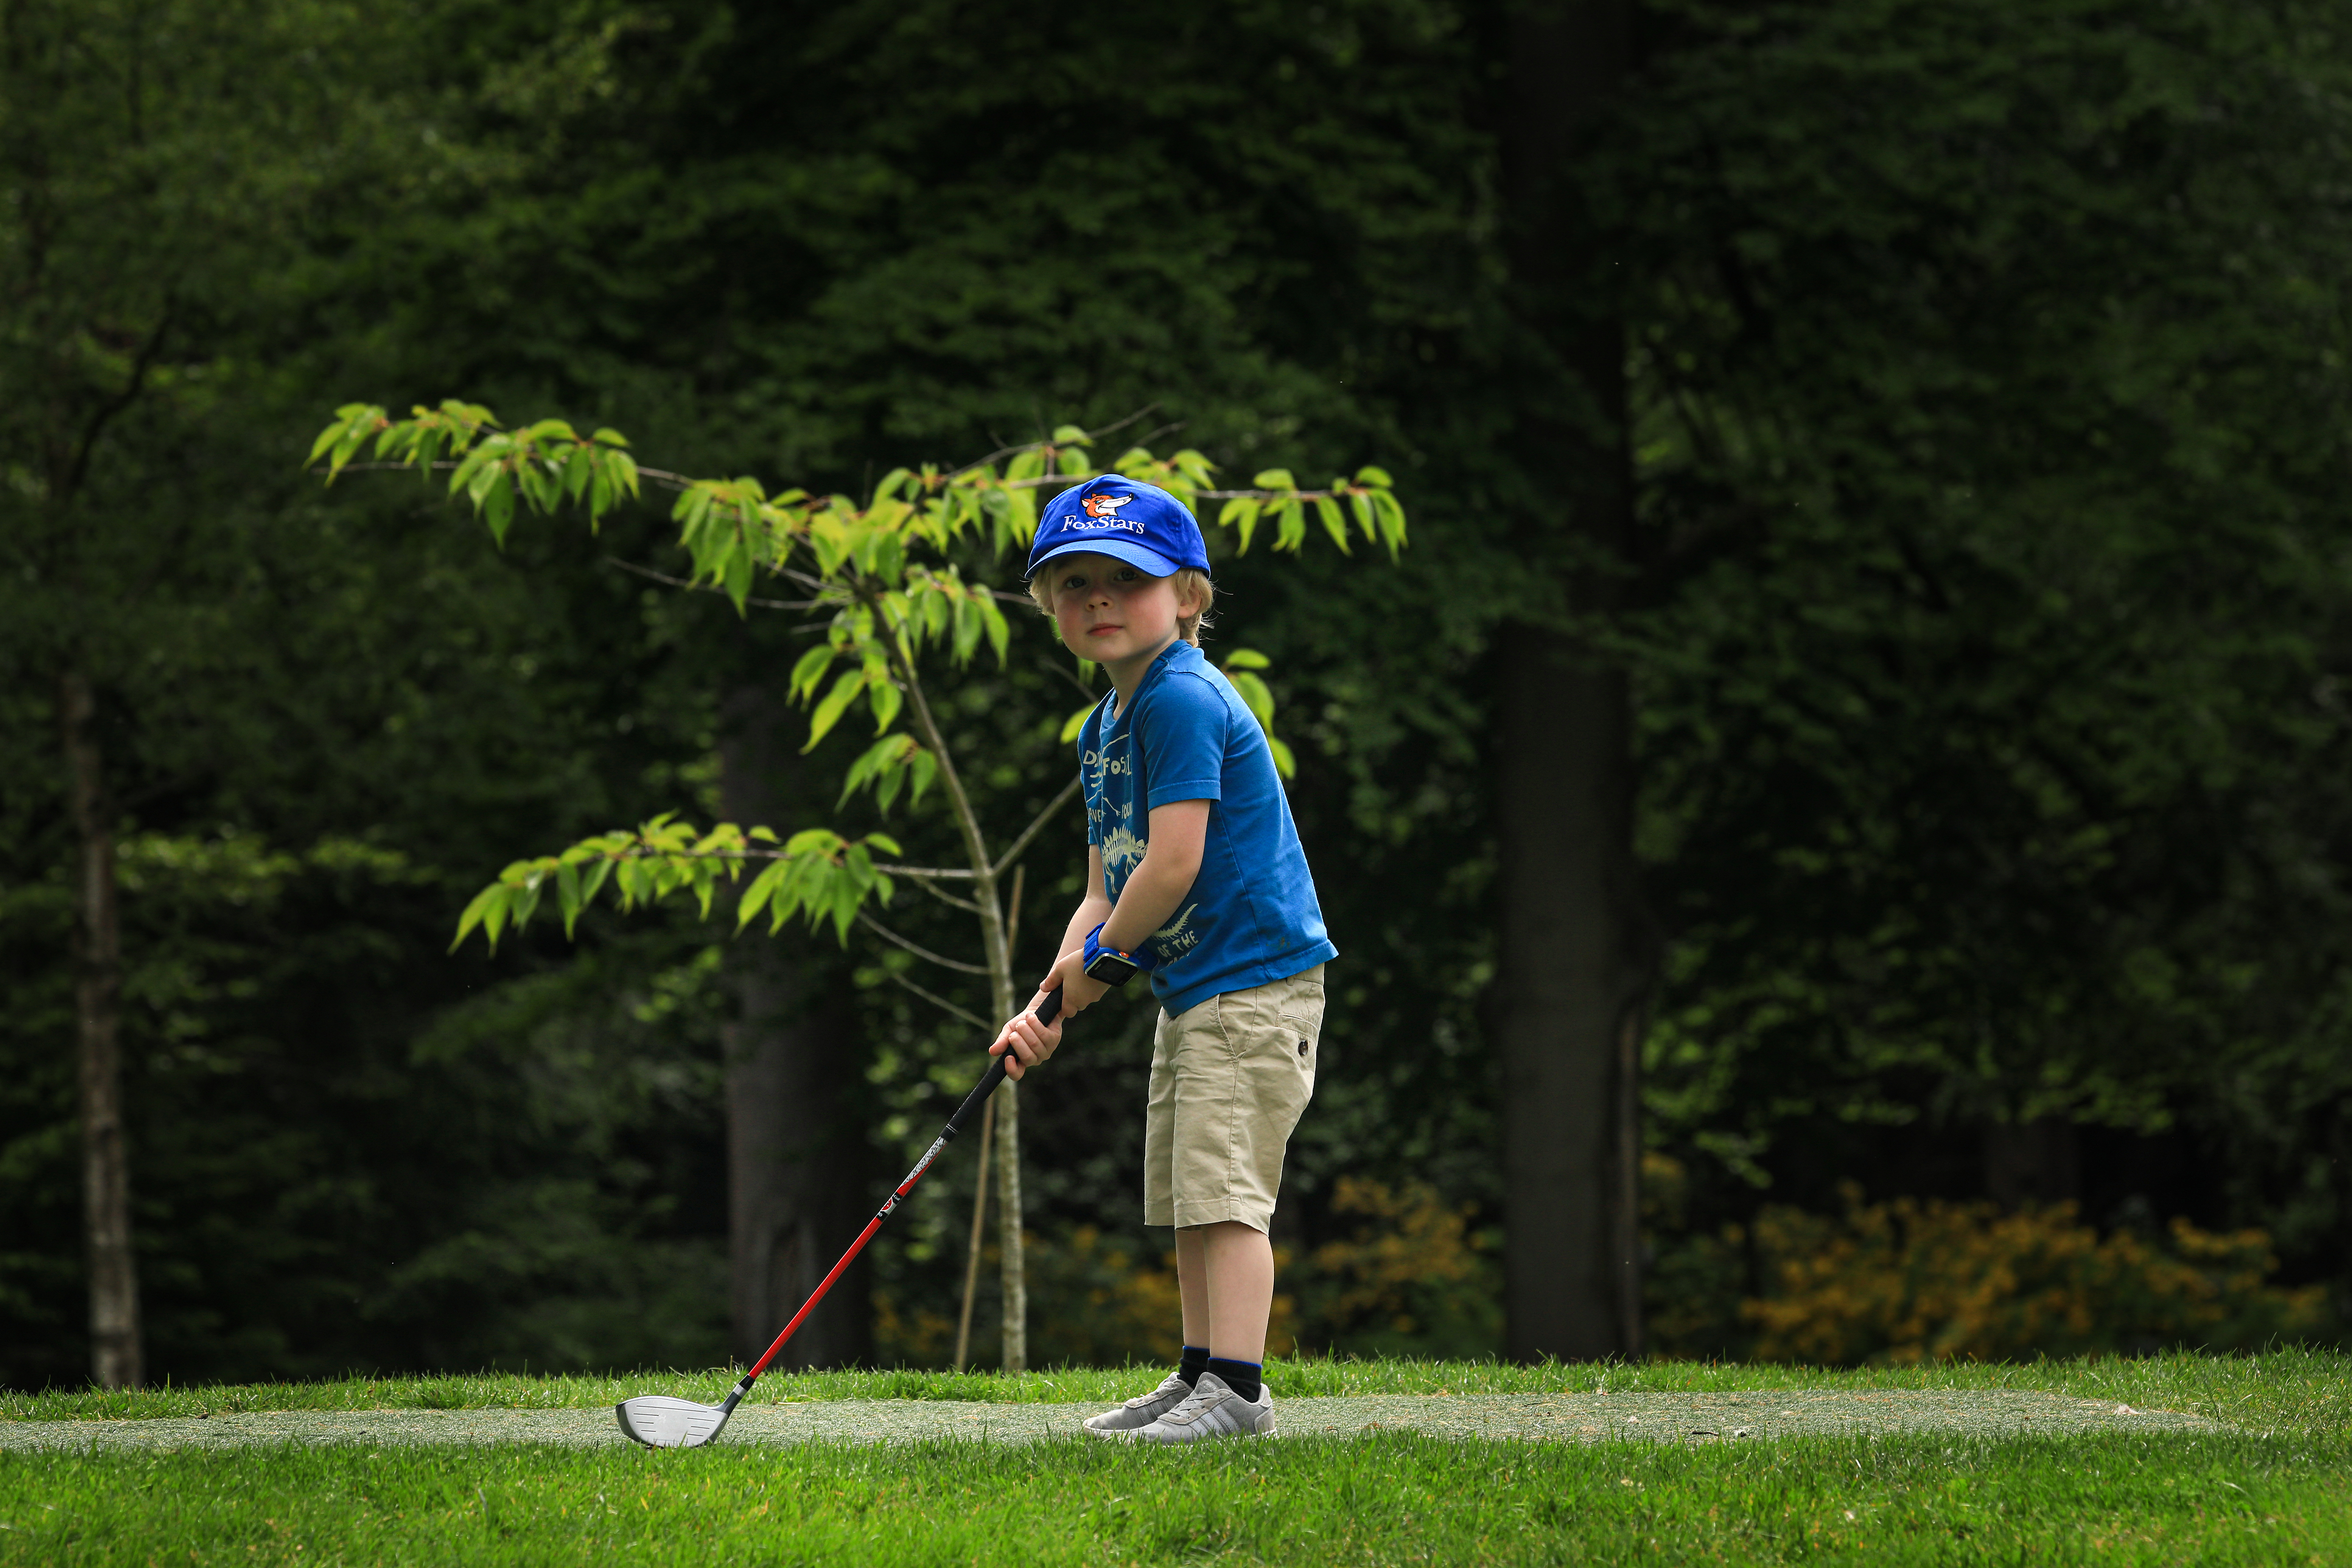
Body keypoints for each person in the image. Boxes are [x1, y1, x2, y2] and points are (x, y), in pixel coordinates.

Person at [989, 473, 1335, 1443]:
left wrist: (1103, 966)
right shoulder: (1107, 726)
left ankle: (1239, 1393)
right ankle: (1198, 1378)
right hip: (1197, 989)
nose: (1099, 600)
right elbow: (1107, 890)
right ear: (1049, 605)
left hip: (1253, 981)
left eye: (1127, 580)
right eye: (1075, 583)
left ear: (1188, 597)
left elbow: (1175, 864)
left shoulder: (1180, 698)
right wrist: (1050, 1000)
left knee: (1225, 1197)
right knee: (1191, 1192)